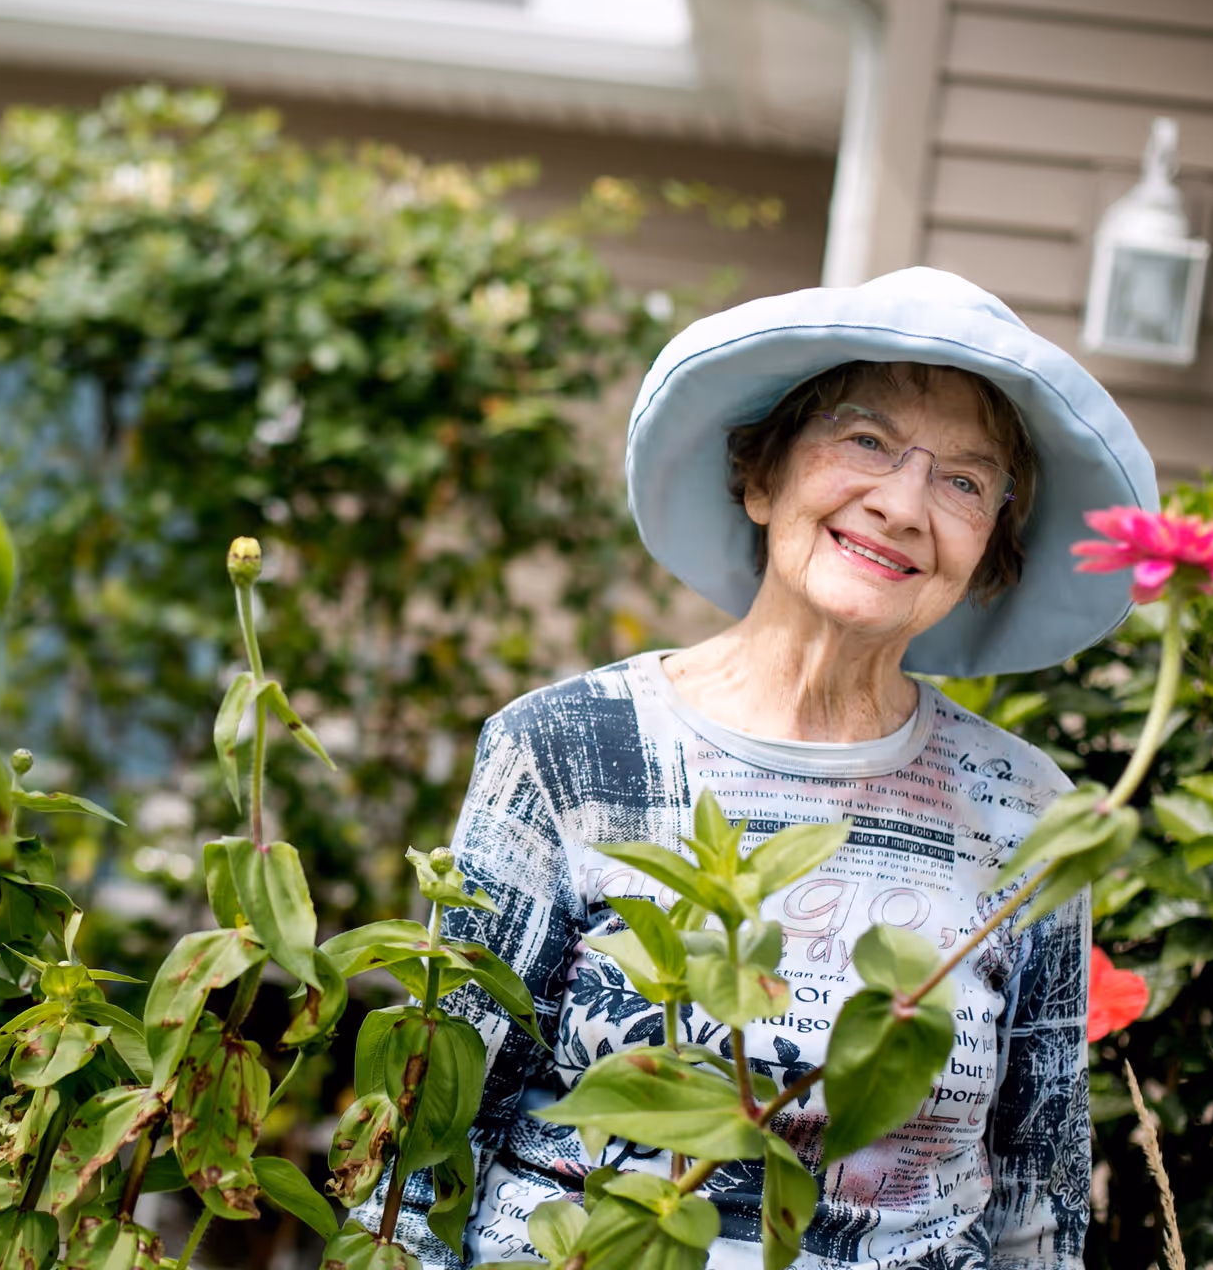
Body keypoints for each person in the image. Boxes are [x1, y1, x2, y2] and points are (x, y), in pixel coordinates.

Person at [363, 267, 1159, 1269]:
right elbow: (422, 1149)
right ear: (761, 475)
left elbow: (1039, 1207)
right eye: (867, 440)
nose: (904, 504)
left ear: (991, 548)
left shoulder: (1025, 809)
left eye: (963, 480)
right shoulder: (568, 750)